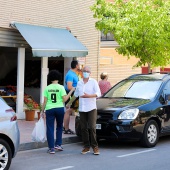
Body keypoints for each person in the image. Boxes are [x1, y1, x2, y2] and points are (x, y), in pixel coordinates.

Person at [66, 66, 101, 155]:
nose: (85, 72)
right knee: (83, 128)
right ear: (81, 72)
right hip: (82, 108)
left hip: (91, 107)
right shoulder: (79, 83)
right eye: (84, 71)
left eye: (87, 71)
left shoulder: (93, 82)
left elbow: (98, 93)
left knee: (92, 127)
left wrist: (89, 96)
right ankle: (86, 146)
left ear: (90, 73)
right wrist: (69, 103)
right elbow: (76, 94)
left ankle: (95, 147)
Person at [41, 70, 75, 154]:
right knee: (59, 126)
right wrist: (71, 91)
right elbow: (65, 99)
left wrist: (42, 111)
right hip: (59, 108)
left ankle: (51, 148)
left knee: (50, 128)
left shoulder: (47, 88)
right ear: (58, 77)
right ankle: (58, 144)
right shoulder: (61, 87)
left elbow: (44, 101)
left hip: (49, 109)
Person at [64, 60, 80, 134]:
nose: (79, 66)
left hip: (74, 94)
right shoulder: (70, 74)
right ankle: (66, 129)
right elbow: (69, 86)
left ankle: (66, 128)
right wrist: (77, 89)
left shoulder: (74, 73)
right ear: (76, 65)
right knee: (68, 111)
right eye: (79, 65)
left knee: (70, 111)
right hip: (71, 94)